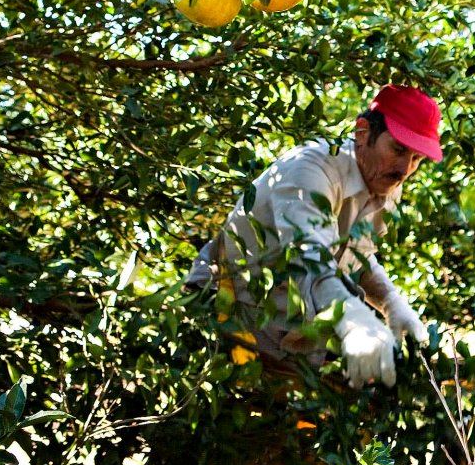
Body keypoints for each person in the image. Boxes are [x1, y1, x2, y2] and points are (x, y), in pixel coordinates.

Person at [186, 85, 442, 387]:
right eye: (398, 150)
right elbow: (308, 257)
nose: (404, 170)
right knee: (244, 407)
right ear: (362, 132)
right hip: (231, 308)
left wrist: (390, 302)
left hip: (289, 320)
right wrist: (352, 319)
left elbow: (355, 258)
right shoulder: (309, 171)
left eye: (416, 159)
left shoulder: (384, 182)